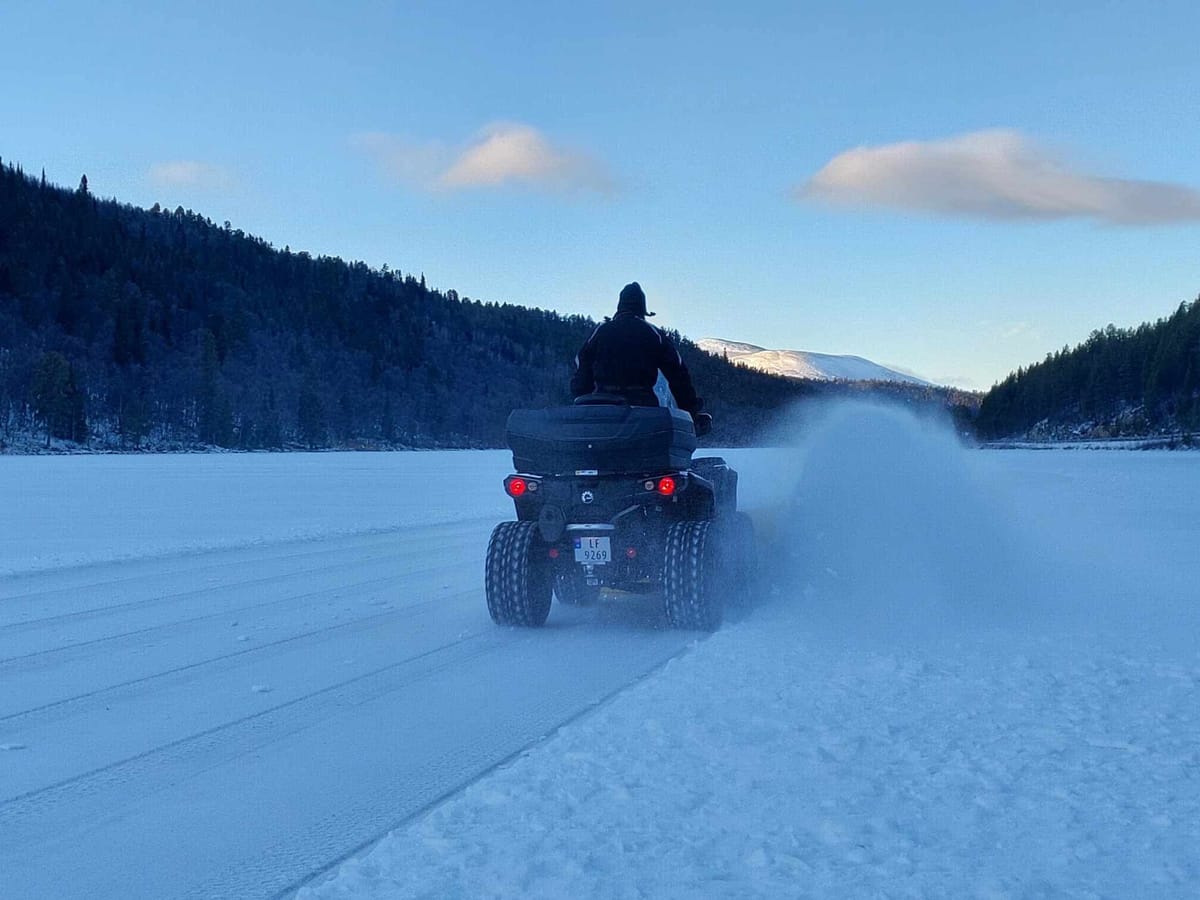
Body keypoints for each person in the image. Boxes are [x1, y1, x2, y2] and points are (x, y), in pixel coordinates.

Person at [570, 282, 704, 419]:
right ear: (642, 308)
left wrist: (582, 397)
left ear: (619, 306)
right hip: (643, 407)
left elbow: (582, 363)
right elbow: (678, 373)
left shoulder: (599, 332)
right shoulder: (653, 334)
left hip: (602, 407)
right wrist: (689, 409)